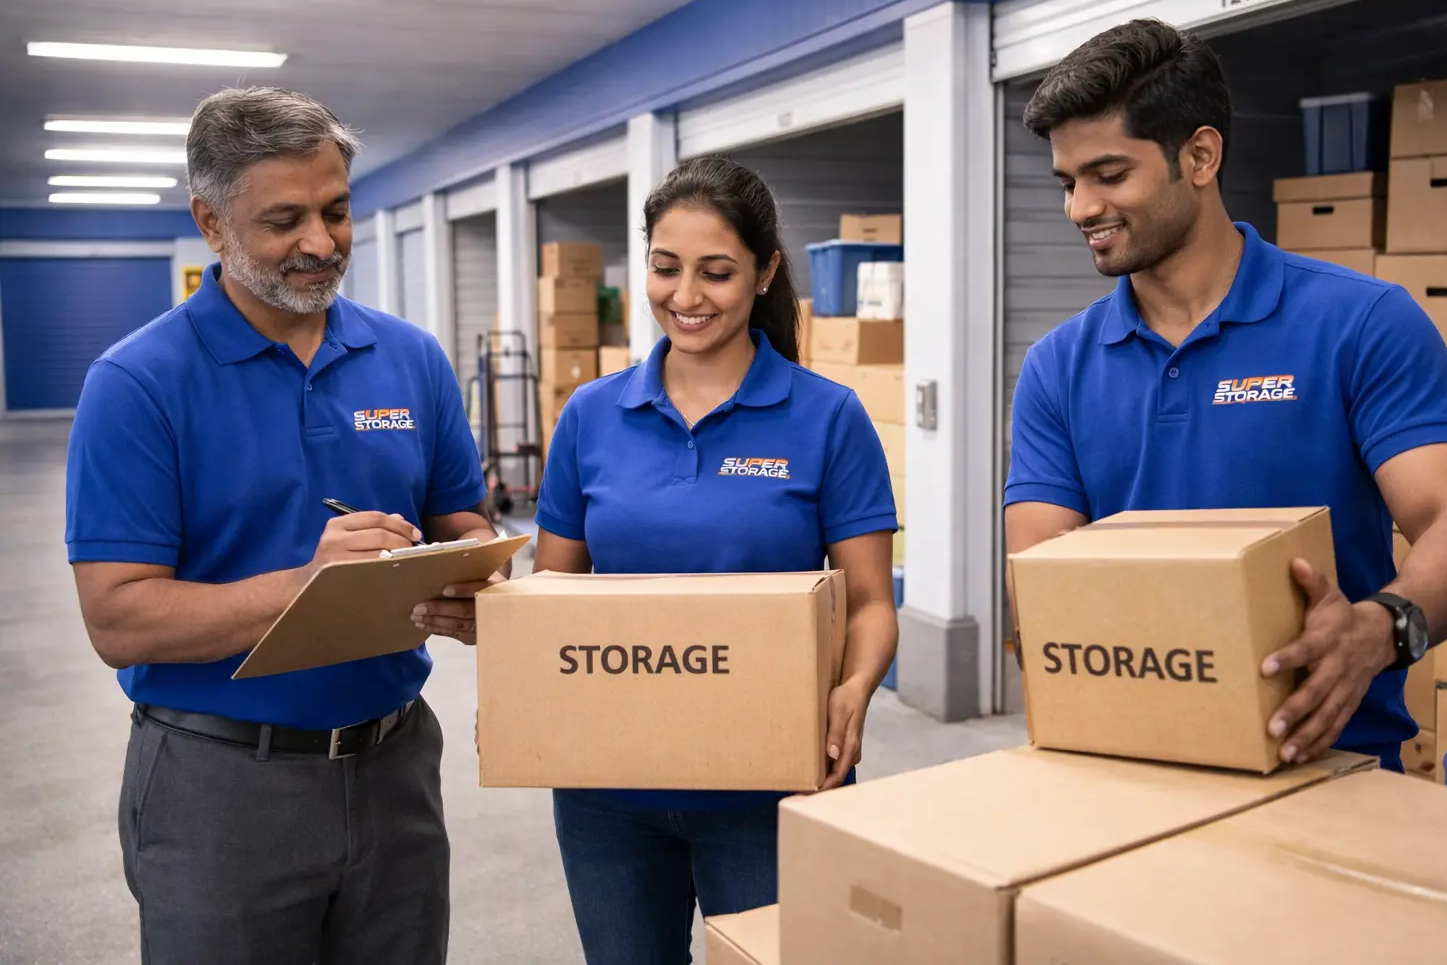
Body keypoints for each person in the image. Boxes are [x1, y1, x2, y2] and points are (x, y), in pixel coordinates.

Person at [1005, 19, 1447, 771]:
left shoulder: (1361, 323)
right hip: (1120, 763)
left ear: (1200, 155)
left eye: (1108, 175)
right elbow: (1040, 578)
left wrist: (1381, 628)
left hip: (1330, 765)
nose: (1080, 208)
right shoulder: (1057, 367)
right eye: (1068, 183)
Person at [64, 86, 495, 964]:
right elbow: (119, 618)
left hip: (394, 765)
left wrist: (479, 581)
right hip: (220, 787)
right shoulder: (138, 383)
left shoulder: (410, 358)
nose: (321, 243)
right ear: (212, 225)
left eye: (336, 211)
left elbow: (469, 523)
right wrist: (310, 587)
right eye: (284, 220)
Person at [531, 154, 899, 963]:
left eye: (717, 272)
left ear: (765, 272)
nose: (686, 297)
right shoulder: (591, 417)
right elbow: (550, 596)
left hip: (771, 780)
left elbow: (871, 601)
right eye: (666, 268)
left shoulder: (827, 418)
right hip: (608, 787)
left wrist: (855, 687)